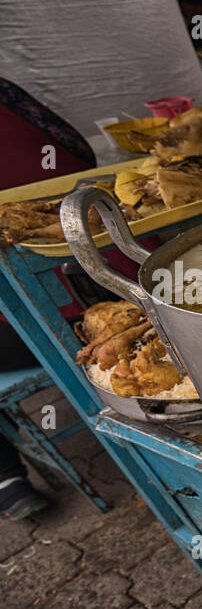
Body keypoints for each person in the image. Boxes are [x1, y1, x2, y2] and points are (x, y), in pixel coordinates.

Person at [0, 79, 98, 520]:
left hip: (30, 328)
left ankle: (6, 478)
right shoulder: (8, 96)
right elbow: (81, 153)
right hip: (106, 285)